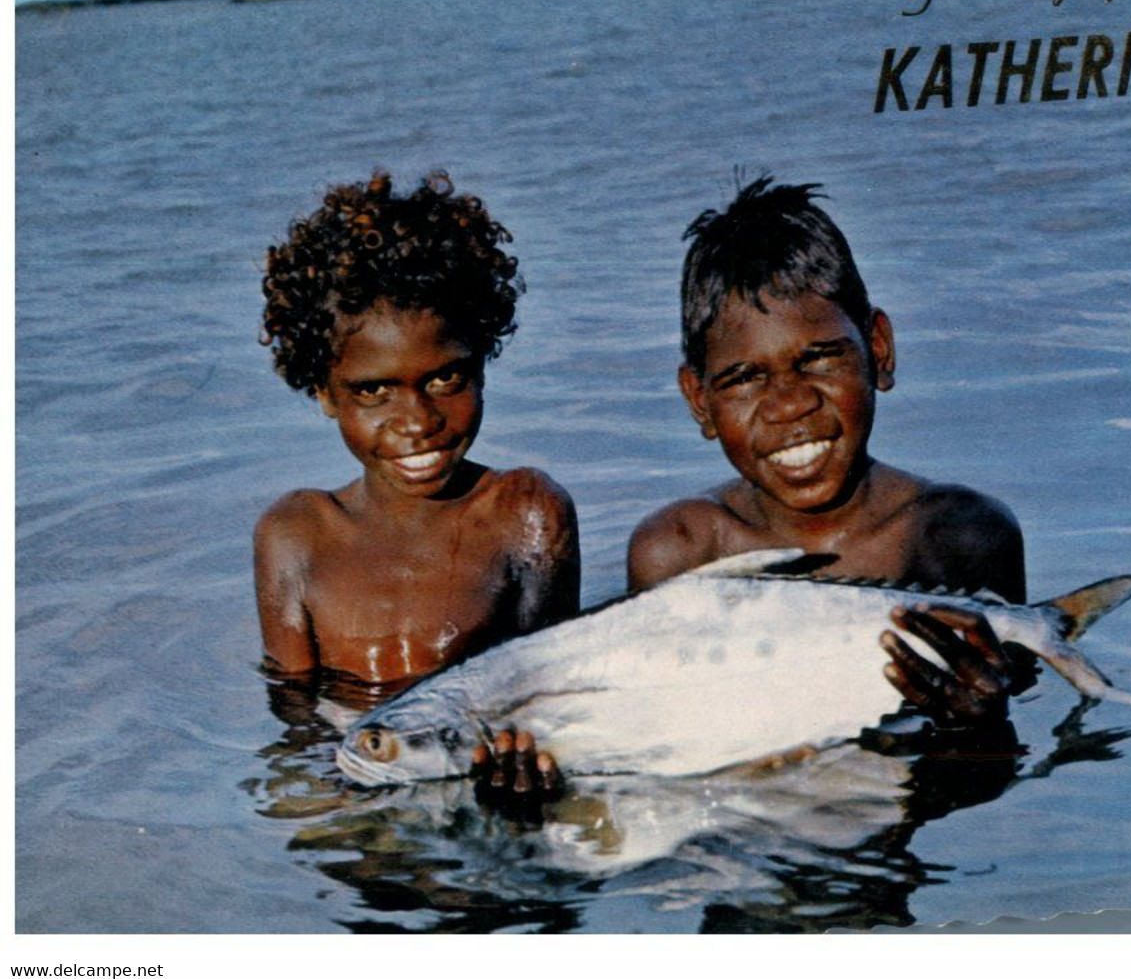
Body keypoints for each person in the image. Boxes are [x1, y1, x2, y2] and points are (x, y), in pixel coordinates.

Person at [628, 176, 1034, 728]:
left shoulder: (962, 536)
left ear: (879, 351)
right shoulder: (680, 553)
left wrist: (977, 723)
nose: (788, 406)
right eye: (744, 378)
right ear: (699, 401)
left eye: (819, 359)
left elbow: (1009, 727)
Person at [255, 170, 574, 794]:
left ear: (481, 361)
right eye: (374, 391)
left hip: (480, 778)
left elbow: (549, 693)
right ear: (323, 392)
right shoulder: (294, 534)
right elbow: (297, 719)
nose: (419, 422)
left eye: (445, 379)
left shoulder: (526, 512)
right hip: (359, 781)